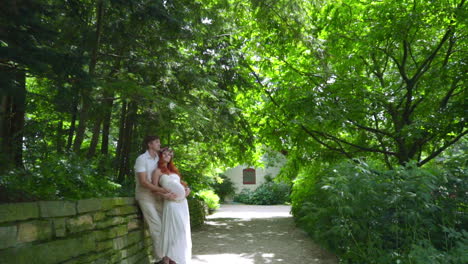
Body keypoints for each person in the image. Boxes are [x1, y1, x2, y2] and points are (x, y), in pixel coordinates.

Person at [134, 136, 176, 264]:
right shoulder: (141, 159)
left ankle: (170, 256)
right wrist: (163, 191)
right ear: (149, 144)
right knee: (156, 227)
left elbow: (168, 170)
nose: (159, 144)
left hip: (159, 197)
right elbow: (143, 182)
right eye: (157, 142)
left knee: (167, 225)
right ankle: (161, 259)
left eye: (159, 142)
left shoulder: (159, 158)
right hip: (145, 197)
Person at [152, 147, 192, 264]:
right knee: (173, 230)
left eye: (169, 154)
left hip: (182, 203)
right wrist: (165, 196)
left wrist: (187, 189)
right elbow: (154, 190)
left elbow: (181, 185)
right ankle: (167, 259)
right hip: (171, 203)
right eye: (165, 154)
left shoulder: (174, 171)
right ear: (160, 156)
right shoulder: (157, 171)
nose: (167, 156)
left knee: (182, 230)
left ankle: (176, 258)